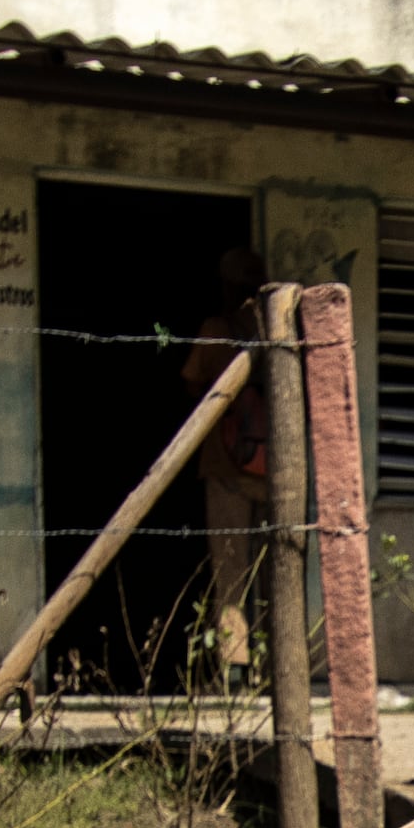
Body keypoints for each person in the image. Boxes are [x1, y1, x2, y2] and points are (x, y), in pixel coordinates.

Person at [177, 242, 273, 679]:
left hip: (225, 471)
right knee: (274, 570)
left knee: (230, 572)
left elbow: (192, 385)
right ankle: (272, 664)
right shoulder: (275, 329)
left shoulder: (215, 328)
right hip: (272, 471)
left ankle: (235, 669)